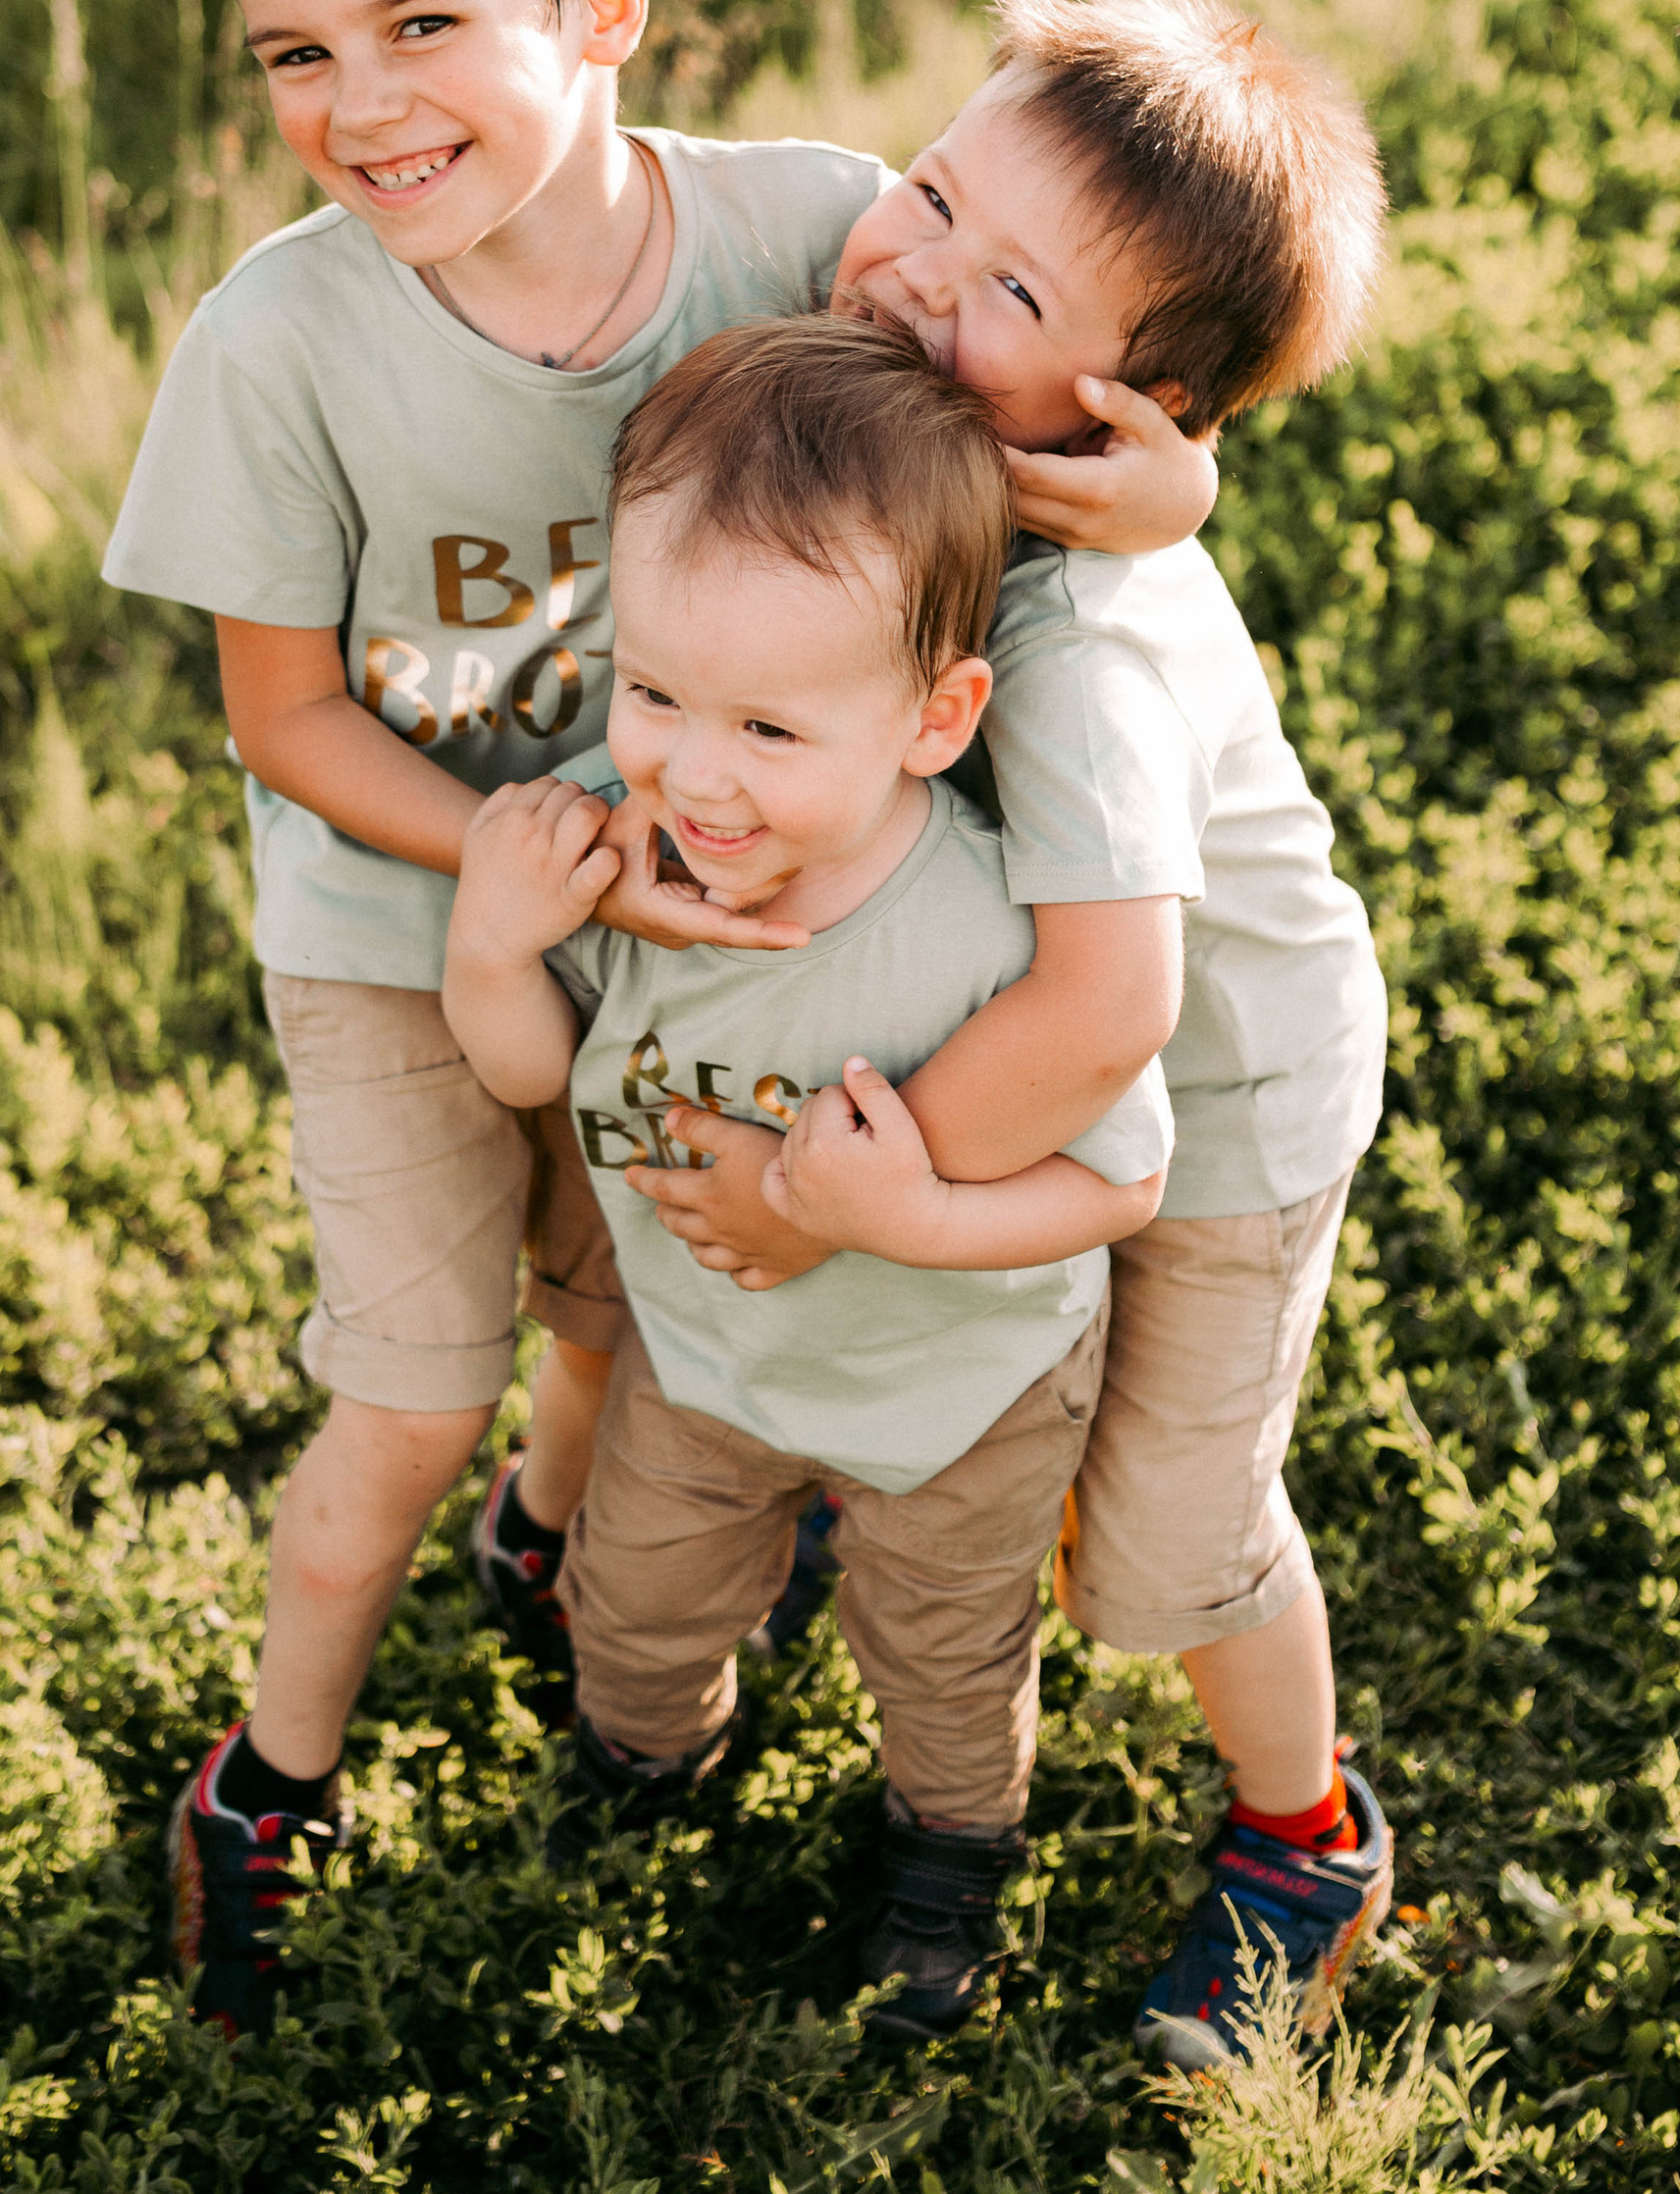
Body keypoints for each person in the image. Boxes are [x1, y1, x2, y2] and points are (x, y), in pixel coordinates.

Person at [100, 0, 1214, 2033]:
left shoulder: (806, 227)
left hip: (720, 927)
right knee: (415, 1378)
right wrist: (550, 857)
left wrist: (1178, 495)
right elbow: (283, 716)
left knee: (626, 1304)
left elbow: (1002, 464)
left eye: (419, 21)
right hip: (407, 922)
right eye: (291, 54)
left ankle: (580, 1570)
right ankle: (270, 1779)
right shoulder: (276, 347)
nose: (357, 104)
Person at [628, 0, 1397, 2069]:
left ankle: (1298, 1832)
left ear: (1129, 415)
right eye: (934, 192)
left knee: (1160, 1530)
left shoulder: (1077, 637)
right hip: (1026, 1034)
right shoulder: (926, 379)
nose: (911, 273)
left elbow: (1104, 998)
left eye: (1003, 284)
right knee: (972, 1357)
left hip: (1210, 1101)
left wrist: (811, 1192)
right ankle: (827, 1494)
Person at [443, 316, 1174, 2040]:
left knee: (940, 1652)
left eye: (770, 727)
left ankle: (950, 1850)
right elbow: (536, 1075)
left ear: (938, 718)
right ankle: (648, 1755)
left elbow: (1121, 1185)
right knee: (632, 1604)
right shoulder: (626, 859)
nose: (697, 772)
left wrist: (905, 1215)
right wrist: (492, 943)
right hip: (708, 1359)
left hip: (962, 1386)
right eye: (655, 695)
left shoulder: (994, 926)